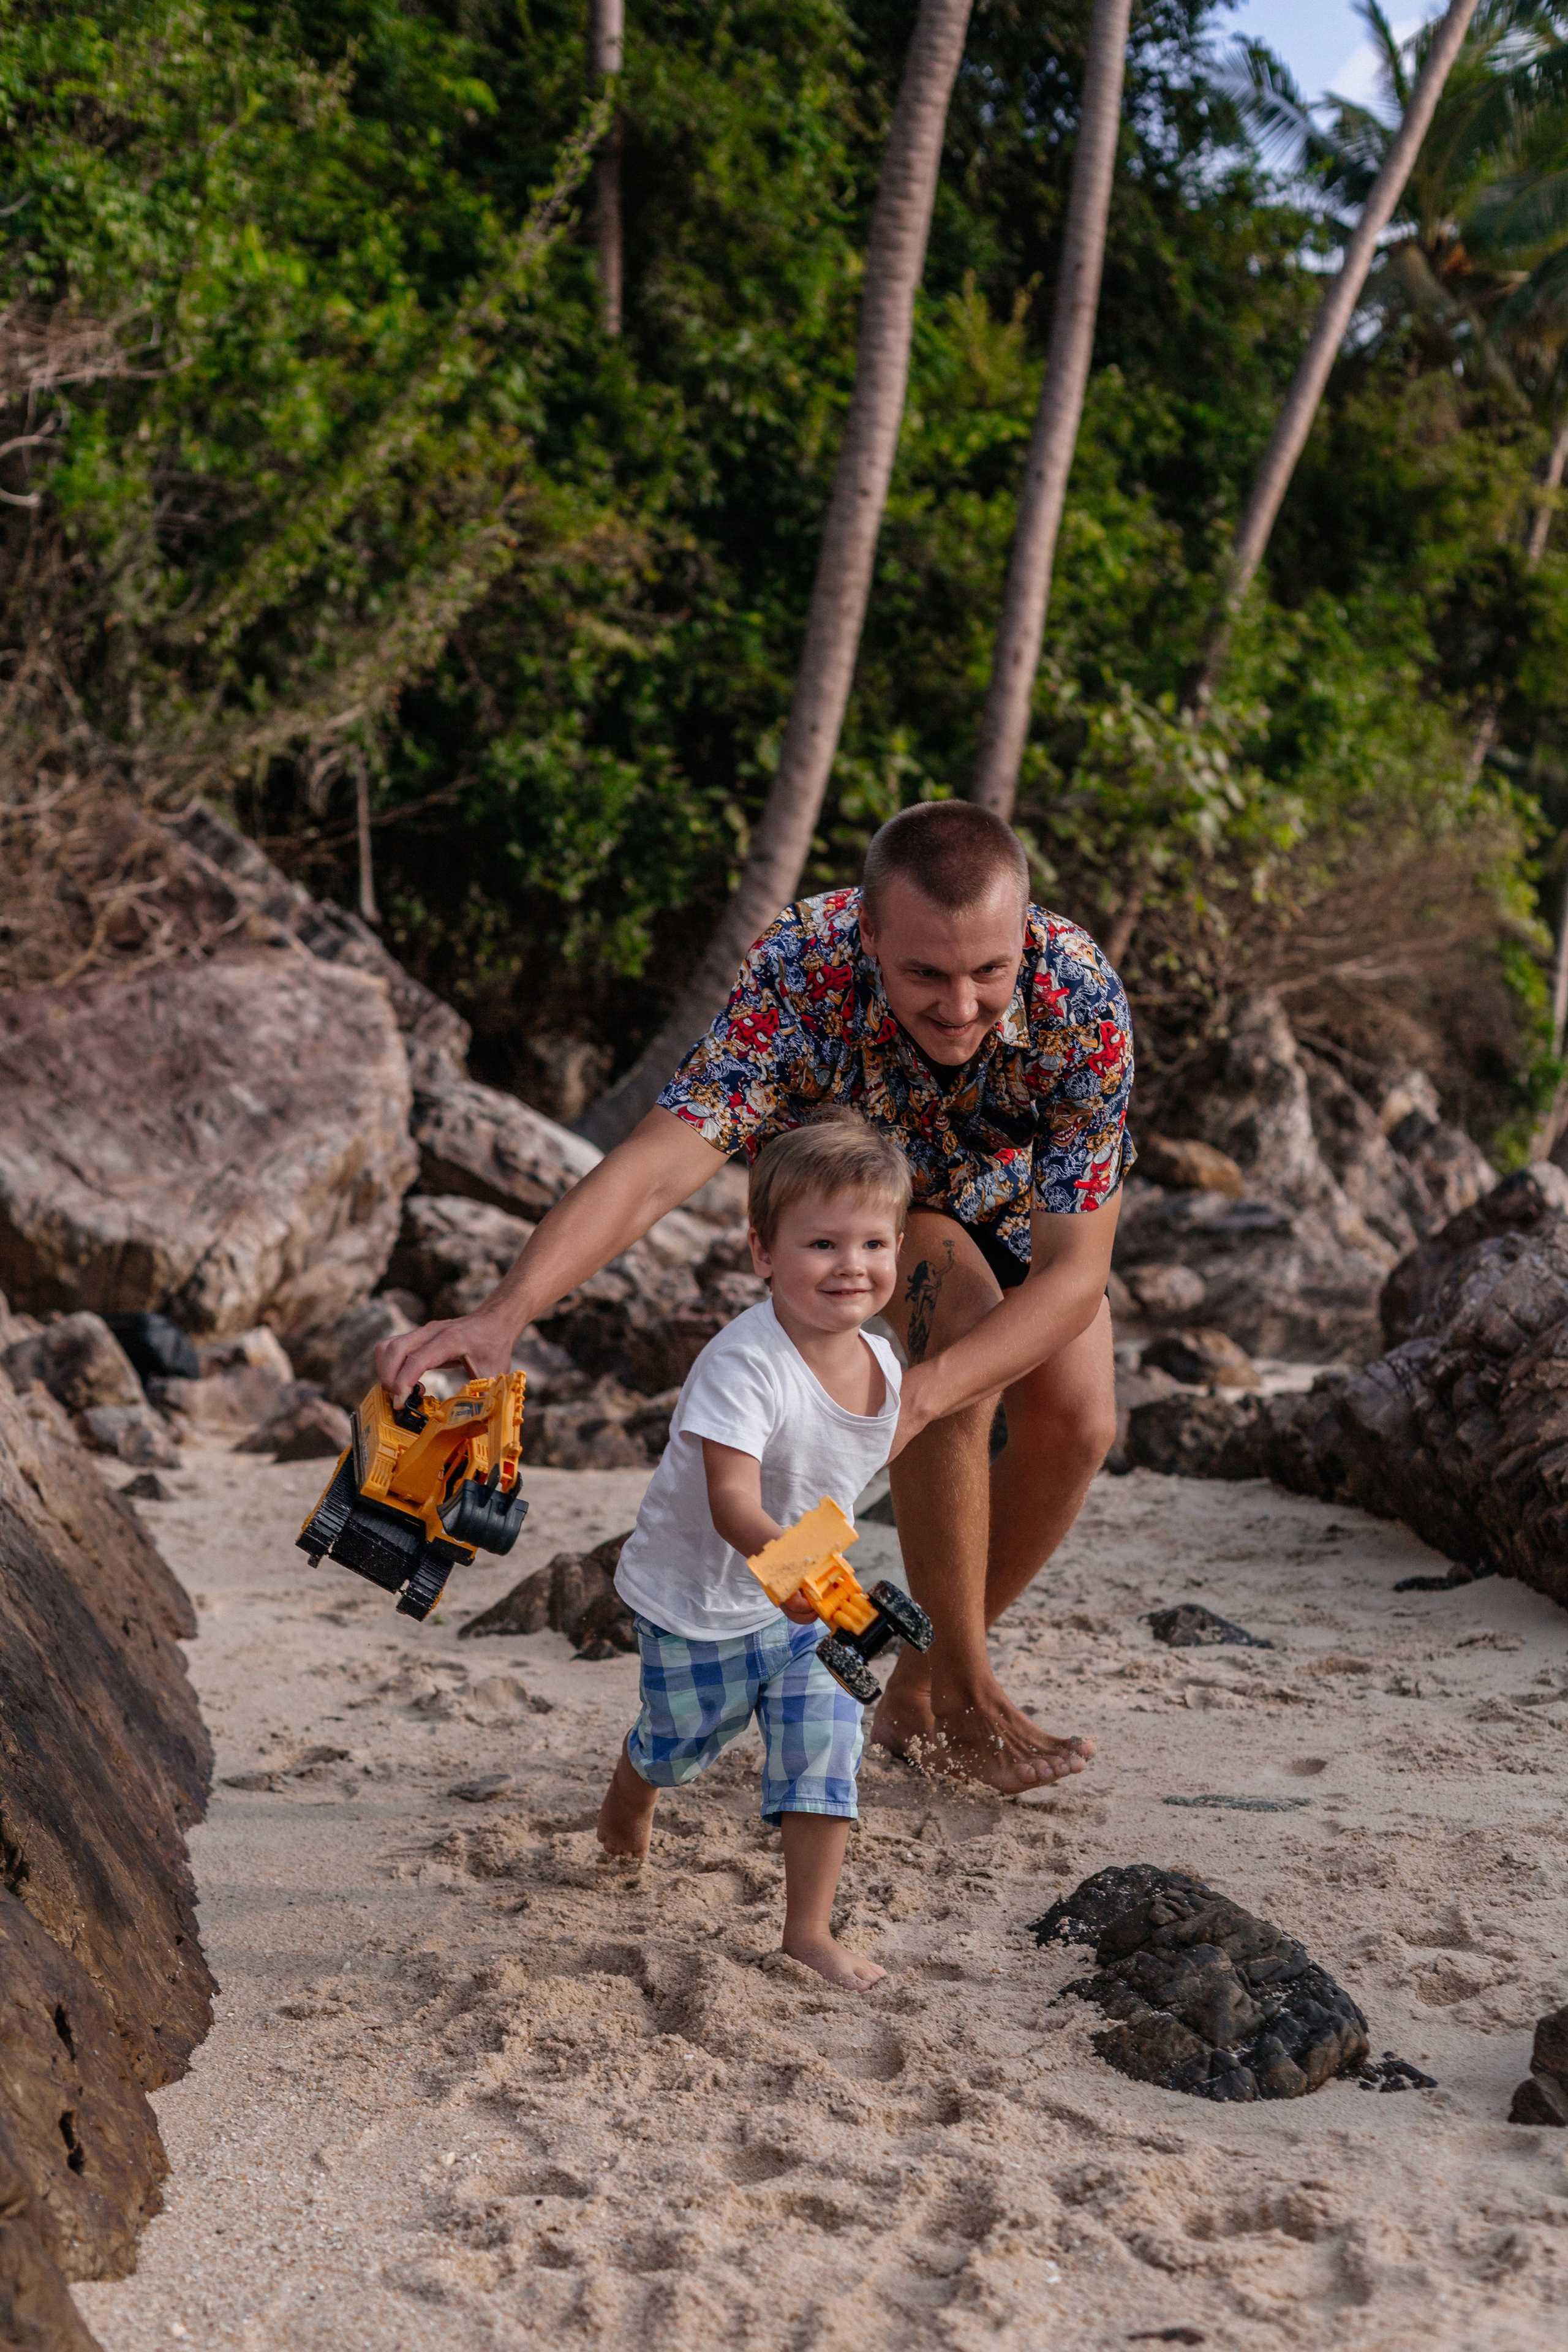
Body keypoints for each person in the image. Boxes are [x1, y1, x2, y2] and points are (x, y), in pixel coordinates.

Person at [377, 799, 1131, 1796]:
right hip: (862, 1200)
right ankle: (965, 1687)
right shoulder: (802, 969)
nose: (961, 1005)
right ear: (869, 935)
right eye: (925, 975)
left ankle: (918, 1682)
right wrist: (503, 1313)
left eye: (989, 971)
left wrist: (927, 1395)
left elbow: (1078, 1272)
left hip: (1012, 1195)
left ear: (1025, 931)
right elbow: (654, 1168)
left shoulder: (1078, 993)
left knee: (1079, 1426)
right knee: (958, 1326)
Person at [595, 1117, 908, 1989]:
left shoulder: (882, 1361)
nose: (852, 1264)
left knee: (825, 1743)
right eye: (821, 1243)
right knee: (680, 1743)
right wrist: (789, 1567)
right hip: (699, 1598)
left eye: (874, 1243)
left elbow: (844, 1480)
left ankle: (807, 1931)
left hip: (805, 1603)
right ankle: (634, 1790)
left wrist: (826, 1579)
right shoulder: (744, 1365)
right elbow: (734, 1503)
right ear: (763, 1252)